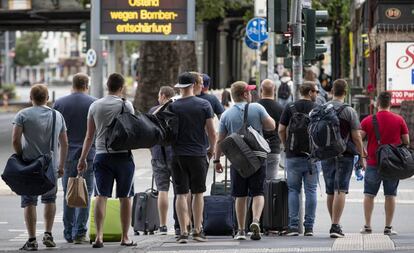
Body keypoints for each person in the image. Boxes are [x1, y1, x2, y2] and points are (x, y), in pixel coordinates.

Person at [77, 73, 136, 248]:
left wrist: (82, 158)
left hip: (102, 155)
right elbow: (131, 131)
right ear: (121, 87)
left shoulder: (95, 106)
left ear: (107, 86)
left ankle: (99, 237)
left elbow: (89, 136)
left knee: (101, 196)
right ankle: (125, 237)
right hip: (123, 156)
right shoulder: (126, 105)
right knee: (125, 197)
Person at [214, 81, 275, 241]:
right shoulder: (257, 108)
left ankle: (241, 230)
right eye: (249, 92)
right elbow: (271, 126)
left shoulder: (226, 115)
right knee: (258, 192)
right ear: (245, 94)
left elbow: (220, 140)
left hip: (238, 159)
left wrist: (216, 160)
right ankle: (255, 221)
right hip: (257, 157)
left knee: (239, 195)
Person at [12, 84, 68, 251]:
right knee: (50, 199)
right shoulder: (57, 115)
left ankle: (31, 240)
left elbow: (15, 140)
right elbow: (64, 143)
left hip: (29, 165)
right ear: (47, 98)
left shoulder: (22, 114)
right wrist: (61, 165)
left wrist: (21, 155)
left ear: (31, 98)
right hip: (50, 166)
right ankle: (48, 234)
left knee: (29, 201)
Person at [170, 72, 217, 243]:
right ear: (193, 85)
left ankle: (183, 232)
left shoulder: (172, 106)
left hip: (177, 155)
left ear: (180, 87)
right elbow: (212, 132)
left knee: (181, 193)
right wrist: (212, 150)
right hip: (198, 154)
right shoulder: (204, 104)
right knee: (198, 193)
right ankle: (197, 230)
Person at [53, 73, 96, 244]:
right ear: (86, 85)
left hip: (67, 155)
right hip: (88, 155)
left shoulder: (60, 103)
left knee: (68, 194)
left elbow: (55, 130)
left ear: (73, 84)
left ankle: (68, 232)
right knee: (86, 193)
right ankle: (80, 233)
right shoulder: (93, 102)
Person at [320, 79, 365, 238]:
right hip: (344, 154)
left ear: (332, 90)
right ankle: (335, 225)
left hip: (326, 154)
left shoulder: (323, 108)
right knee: (341, 189)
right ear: (345, 92)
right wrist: (362, 155)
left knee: (330, 190)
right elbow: (356, 137)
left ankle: (334, 223)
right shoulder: (349, 111)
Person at [360, 91, 409, 235]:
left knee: (369, 195)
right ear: (390, 103)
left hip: (373, 163)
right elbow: (406, 141)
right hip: (392, 165)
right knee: (390, 195)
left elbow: (358, 138)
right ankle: (388, 227)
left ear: (377, 103)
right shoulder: (399, 120)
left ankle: (367, 226)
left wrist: (363, 154)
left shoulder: (368, 120)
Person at [278, 81, 319, 236]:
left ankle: (293, 226)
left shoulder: (290, 107)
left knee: (293, 190)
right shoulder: (317, 108)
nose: (317, 94)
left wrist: (286, 145)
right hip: (312, 156)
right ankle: (309, 227)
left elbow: (281, 129)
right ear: (309, 92)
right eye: (316, 91)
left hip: (293, 155)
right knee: (311, 190)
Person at [148, 86, 176, 235]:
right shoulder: (177, 110)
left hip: (158, 154)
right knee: (180, 191)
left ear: (163, 95)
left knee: (162, 190)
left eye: (159, 95)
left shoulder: (153, 111)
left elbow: (148, 134)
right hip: (175, 154)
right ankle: (181, 223)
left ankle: (163, 225)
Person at [257, 79, 284, 179]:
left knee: (257, 184)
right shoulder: (280, 108)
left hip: (257, 149)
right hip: (274, 148)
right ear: (275, 90)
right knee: (271, 184)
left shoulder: (255, 106)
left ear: (261, 90)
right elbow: (283, 129)